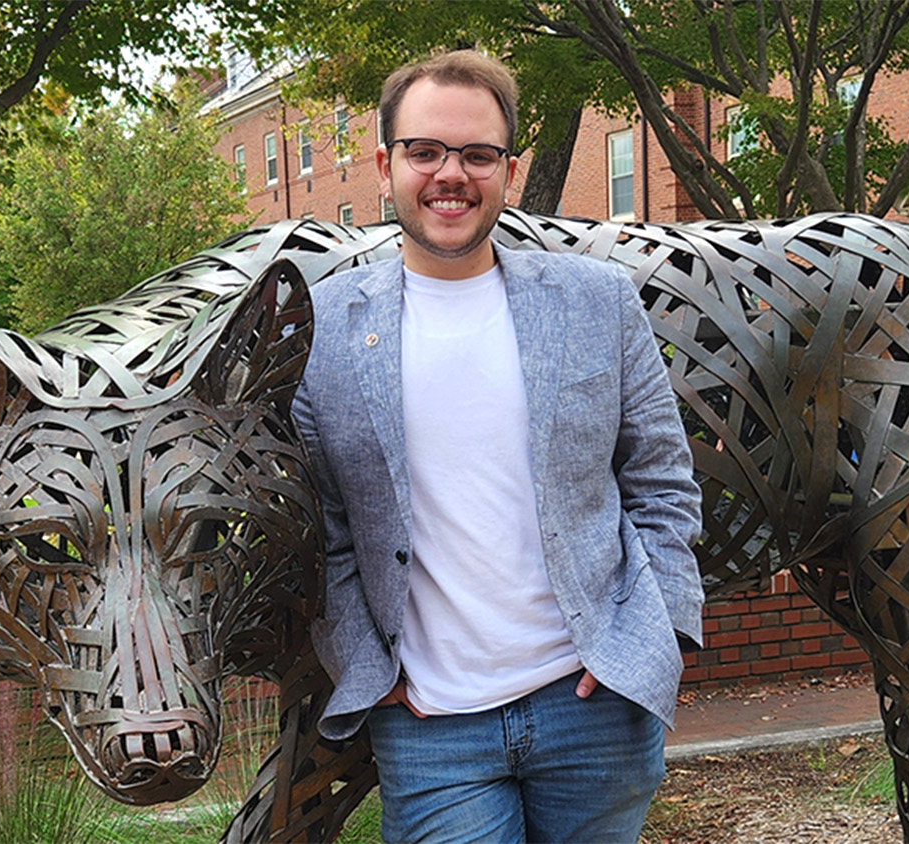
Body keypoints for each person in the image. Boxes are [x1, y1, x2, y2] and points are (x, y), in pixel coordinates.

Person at [291, 50, 704, 843]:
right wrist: (365, 668)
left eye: (479, 155)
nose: (453, 174)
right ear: (386, 166)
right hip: (432, 724)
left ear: (509, 172)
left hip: (594, 707)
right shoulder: (325, 329)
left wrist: (655, 634)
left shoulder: (598, 303)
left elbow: (662, 483)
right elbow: (326, 525)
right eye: (426, 151)